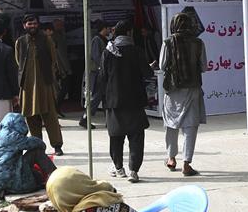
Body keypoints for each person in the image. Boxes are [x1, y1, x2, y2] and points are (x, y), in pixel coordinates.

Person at [99, 19, 153, 181]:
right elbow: (148, 73)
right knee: (136, 137)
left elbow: (103, 78)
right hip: (135, 101)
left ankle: (118, 168)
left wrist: (105, 100)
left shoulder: (107, 52)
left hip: (114, 102)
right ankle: (134, 171)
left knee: (116, 137)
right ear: (129, 32)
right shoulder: (136, 51)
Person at [160, 12, 207, 176]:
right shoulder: (199, 43)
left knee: (171, 125)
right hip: (193, 89)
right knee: (190, 127)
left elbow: (161, 65)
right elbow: (204, 67)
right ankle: (186, 164)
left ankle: (171, 158)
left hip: (173, 91)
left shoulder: (168, 42)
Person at [15, 14, 64, 156]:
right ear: (24, 25)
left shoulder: (46, 39)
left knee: (50, 116)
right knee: (31, 118)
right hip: (27, 86)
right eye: (29, 24)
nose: (32, 26)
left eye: (34, 23)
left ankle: (57, 145)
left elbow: (53, 60)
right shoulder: (20, 42)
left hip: (45, 85)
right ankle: (37, 146)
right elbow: (19, 62)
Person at [0, 112, 56, 198]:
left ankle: (3, 189)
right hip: (15, 183)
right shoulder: (14, 136)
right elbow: (39, 144)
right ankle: (58, 178)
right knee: (36, 152)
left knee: (35, 174)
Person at [80, 20, 110, 128]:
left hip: (101, 73)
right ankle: (85, 118)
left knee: (105, 97)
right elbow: (97, 57)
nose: (109, 30)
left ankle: (109, 121)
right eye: (108, 28)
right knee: (96, 97)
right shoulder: (97, 40)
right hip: (98, 74)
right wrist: (103, 68)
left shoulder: (103, 40)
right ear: (104, 28)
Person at [51, 19, 72, 112]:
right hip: (60, 67)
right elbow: (59, 54)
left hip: (63, 66)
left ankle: (57, 108)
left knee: (63, 88)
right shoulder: (54, 37)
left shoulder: (61, 35)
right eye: (59, 25)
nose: (61, 27)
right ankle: (55, 108)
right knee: (61, 89)